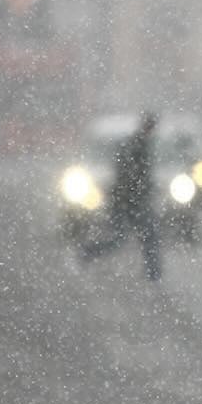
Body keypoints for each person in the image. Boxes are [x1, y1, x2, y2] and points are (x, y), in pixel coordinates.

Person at [82, 110, 162, 281]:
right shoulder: (137, 146)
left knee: (132, 237)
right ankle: (153, 273)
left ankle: (153, 273)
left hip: (128, 201)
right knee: (141, 237)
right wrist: (138, 192)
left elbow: (133, 176)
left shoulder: (137, 144)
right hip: (129, 202)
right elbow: (130, 177)